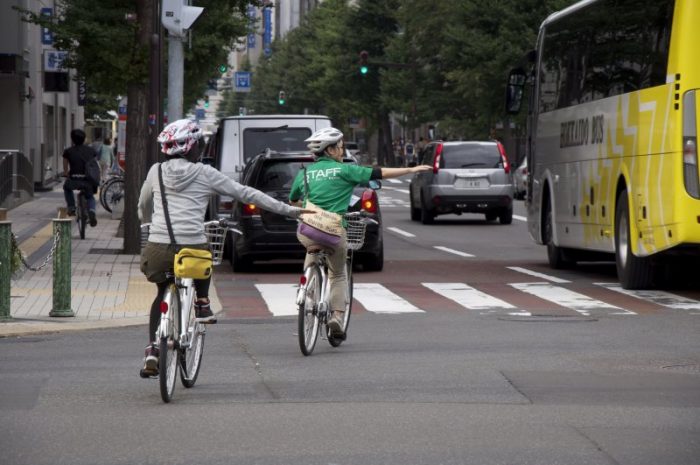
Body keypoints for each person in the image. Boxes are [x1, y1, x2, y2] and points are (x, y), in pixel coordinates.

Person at [137, 119, 314, 378]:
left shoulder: (156, 171)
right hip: (192, 248)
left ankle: (153, 348)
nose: (200, 148)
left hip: (157, 247)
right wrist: (290, 210)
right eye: (198, 143)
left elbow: (143, 204)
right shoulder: (205, 173)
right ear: (188, 147)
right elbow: (247, 194)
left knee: (162, 291)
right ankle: (202, 303)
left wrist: (147, 223)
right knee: (203, 254)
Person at [289, 127, 431, 334]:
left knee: (311, 251)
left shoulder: (304, 173)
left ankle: (306, 291)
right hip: (333, 230)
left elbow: (293, 201)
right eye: (340, 147)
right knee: (337, 274)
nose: (342, 150)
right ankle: (337, 316)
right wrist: (411, 169)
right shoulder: (346, 170)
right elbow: (379, 173)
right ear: (329, 151)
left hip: (307, 230)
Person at [62, 128, 98, 226]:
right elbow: (94, 165)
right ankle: (92, 211)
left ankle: (72, 207)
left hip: (74, 179)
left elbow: (65, 165)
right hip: (87, 180)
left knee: (66, 187)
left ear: (73, 139)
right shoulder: (91, 151)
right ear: (84, 139)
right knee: (90, 196)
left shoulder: (68, 151)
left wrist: (66, 173)